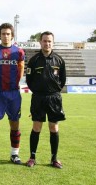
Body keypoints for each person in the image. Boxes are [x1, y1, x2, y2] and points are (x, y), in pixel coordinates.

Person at [0, 23, 25, 164]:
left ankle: (14, 154)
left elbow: (21, 69)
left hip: (13, 93)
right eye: (3, 33)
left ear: (12, 35)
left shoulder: (19, 52)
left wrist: (15, 84)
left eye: (8, 33)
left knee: (14, 124)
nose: (6, 36)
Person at [25, 31, 66, 169]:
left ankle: (54, 158)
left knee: (53, 128)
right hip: (38, 97)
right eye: (44, 41)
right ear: (40, 42)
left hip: (54, 98)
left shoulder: (59, 60)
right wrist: (38, 91)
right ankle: (32, 157)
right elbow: (29, 80)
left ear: (52, 43)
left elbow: (63, 80)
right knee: (36, 127)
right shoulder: (34, 60)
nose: (47, 43)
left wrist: (53, 90)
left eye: (49, 41)